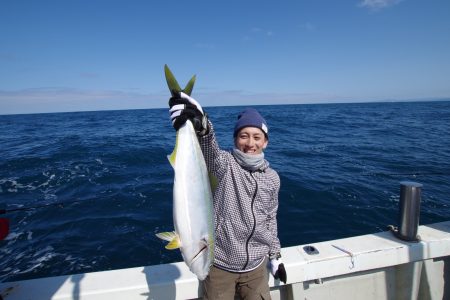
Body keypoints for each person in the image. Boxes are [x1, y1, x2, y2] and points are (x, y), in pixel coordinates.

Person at [169, 92, 286, 299]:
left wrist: (275, 256)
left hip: (256, 269)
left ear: (265, 142)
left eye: (257, 137)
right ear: (235, 139)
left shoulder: (272, 178)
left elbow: (270, 219)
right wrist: (202, 125)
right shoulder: (225, 164)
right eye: (244, 136)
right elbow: (209, 149)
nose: (250, 143)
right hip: (219, 267)